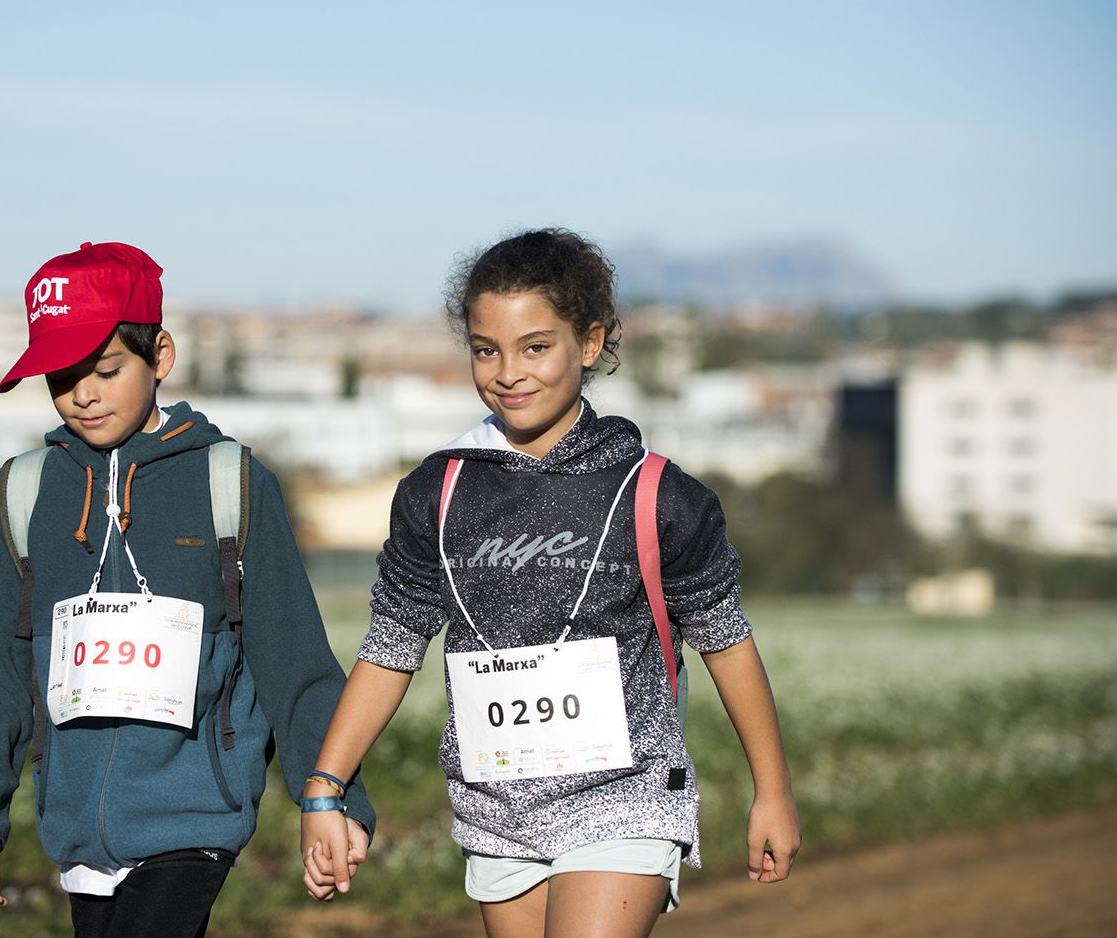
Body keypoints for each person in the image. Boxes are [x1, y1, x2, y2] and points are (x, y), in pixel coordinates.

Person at [299, 229, 799, 937]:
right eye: (485, 349)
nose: (508, 372)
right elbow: (390, 646)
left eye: (536, 347)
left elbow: (727, 642)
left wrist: (772, 793)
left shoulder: (657, 495)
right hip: (494, 810)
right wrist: (326, 789)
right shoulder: (434, 494)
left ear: (590, 343)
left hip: (624, 801)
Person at [0, 241, 372, 938]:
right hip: (77, 830)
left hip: (193, 817)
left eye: (107, 370)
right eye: (61, 375)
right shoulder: (16, 496)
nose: (83, 393)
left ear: (160, 356)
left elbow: (293, 658)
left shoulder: (229, 482)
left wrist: (331, 800)